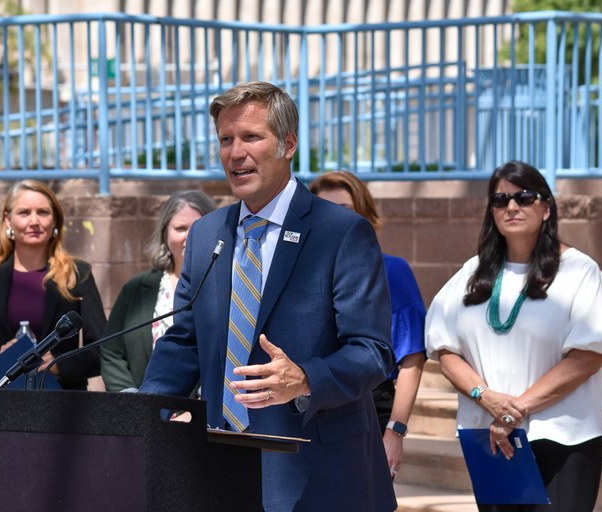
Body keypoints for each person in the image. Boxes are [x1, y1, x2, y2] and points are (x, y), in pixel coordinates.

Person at [139, 81, 397, 511]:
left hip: (321, 475)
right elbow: (185, 342)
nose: (235, 153)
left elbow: (373, 351)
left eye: (251, 137)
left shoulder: (341, 232)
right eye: (226, 139)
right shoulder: (206, 236)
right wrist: (144, 413)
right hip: (223, 469)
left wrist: (306, 378)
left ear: (288, 143)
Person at [425, 161, 602, 512]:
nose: (512, 207)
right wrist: (487, 399)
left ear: (546, 208)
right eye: (501, 200)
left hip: (563, 438)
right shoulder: (472, 272)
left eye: (524, 197)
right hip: (490, 437)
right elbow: (445, 350)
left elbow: (589, 355)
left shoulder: (580, 271)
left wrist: (515, 411)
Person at [310, 170, 426, 480]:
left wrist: (396, 431)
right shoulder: (304, 272)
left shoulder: (393, 271)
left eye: (345, 210)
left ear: (365, 214)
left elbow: (412, 359)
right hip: (314, 402)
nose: (334, 218)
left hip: (371, 405)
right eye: (324, 210)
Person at [0, 179, 108, 390]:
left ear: (55, 221)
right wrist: (2, 362)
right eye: (24, 213)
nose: (34, 221)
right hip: (0, 406)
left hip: (62, 407)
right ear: (8, 220)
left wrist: (57, 364)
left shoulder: (78, 274)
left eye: (43, 212)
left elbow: (104, 351)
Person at [99, 189, 216, 392]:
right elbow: (111, 351)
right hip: (141, 414)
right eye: (180, 228)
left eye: (199, 227)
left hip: (199, 417)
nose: (191, 236)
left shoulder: (226, 288)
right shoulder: (138, 288)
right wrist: (133, 400)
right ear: (165, 234)